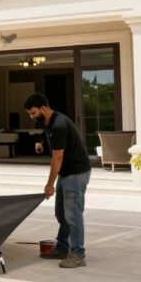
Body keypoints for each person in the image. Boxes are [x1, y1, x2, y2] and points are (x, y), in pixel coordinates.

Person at [24, 92, 91, 269]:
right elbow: (47, 134)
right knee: (61, 214)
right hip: (66, 173)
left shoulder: (59, 124)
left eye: (33, 113)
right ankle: (62, 247)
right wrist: (40, 142)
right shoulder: (49, 121)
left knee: (73, 216)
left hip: (75, 173)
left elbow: (58, 158)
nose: (32, 117)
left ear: (43, 108)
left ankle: (78, 254)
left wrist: (49, 185)